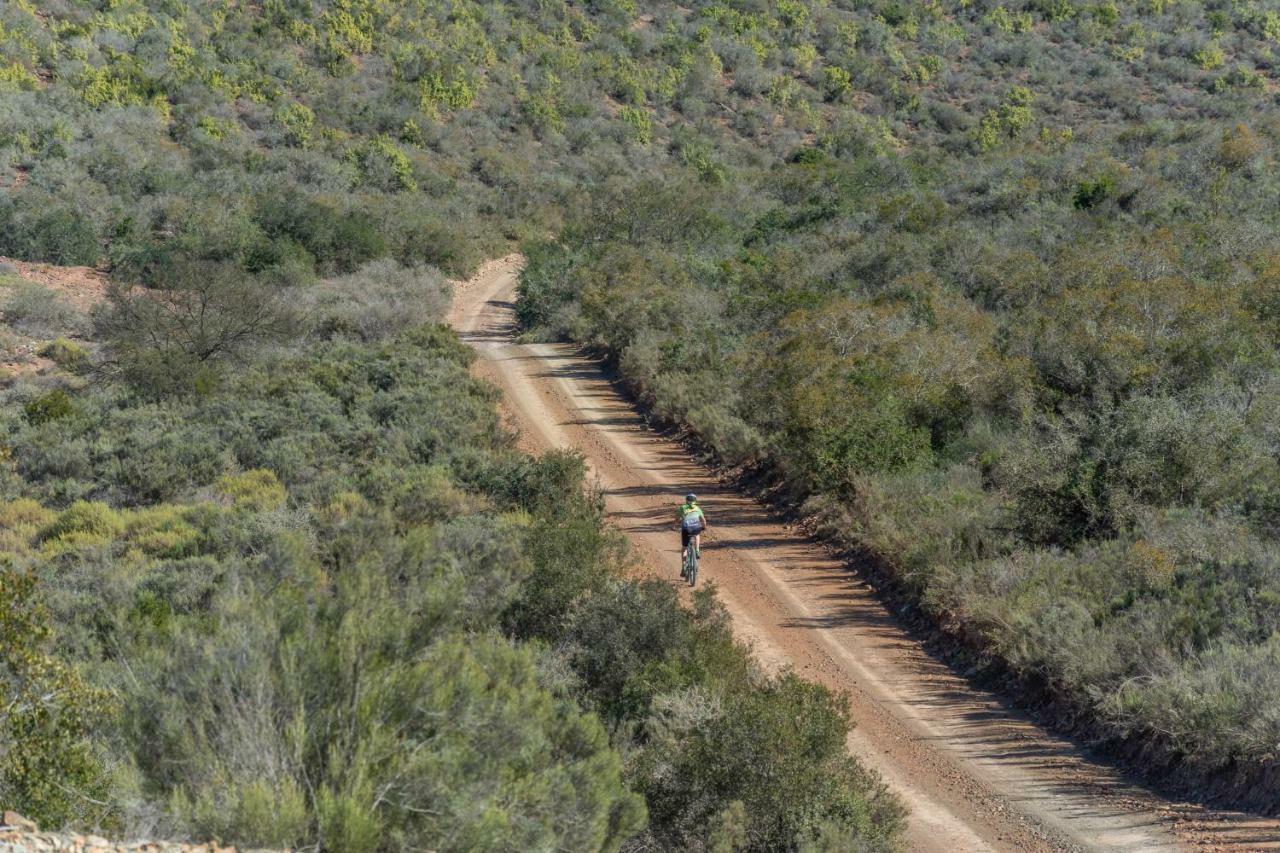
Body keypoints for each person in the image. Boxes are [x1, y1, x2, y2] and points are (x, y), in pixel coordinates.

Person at [678, 492, 706, 572]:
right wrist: (704, 527)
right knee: (697, 534)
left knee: (684, 548)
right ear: (695, 501)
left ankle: (683, 566)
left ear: (686, 500)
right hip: (696, 528)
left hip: (686, 529)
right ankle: (697, 550)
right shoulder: (698, 508)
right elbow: (703, 520)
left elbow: (677, 519)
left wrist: (673, 526)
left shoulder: (682, 508)